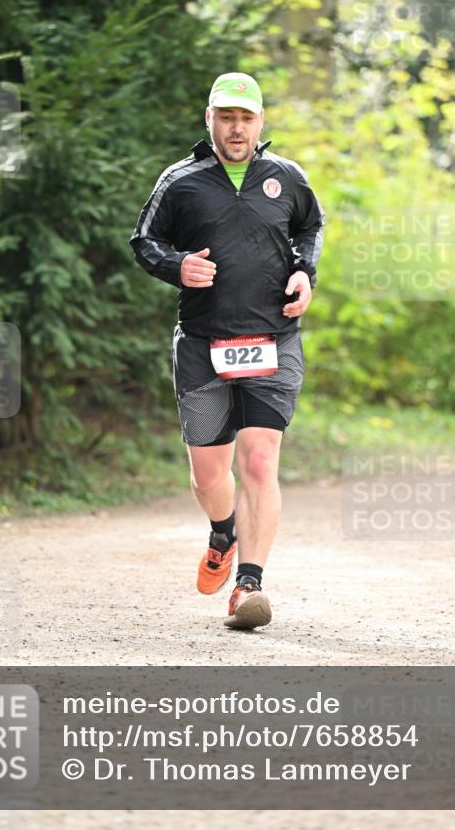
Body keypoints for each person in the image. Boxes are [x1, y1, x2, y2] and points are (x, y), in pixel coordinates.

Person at [129, 72, 325, 630]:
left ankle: (249, 586)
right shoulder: (181, 180)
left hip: (273, 339)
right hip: (203, 344)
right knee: (209, 475)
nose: (236, 128)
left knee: (259, 459)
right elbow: (144, 240)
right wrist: (176, 265)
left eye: (246, 118)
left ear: (261, 122)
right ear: (209, 119)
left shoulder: (285, 177)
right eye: (226, 117)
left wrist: (305, 275)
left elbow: (311, 225)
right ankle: (223, 530)